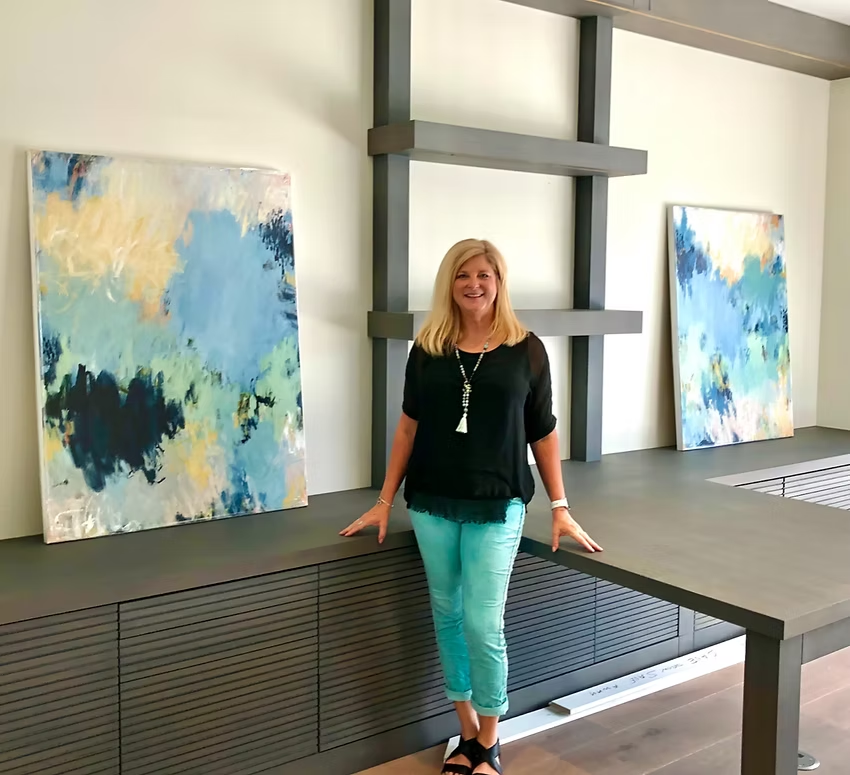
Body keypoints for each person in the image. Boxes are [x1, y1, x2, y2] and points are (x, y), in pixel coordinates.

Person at [340, 238, 602, 775]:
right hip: (432, 502)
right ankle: (465, 734)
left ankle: (490, 738)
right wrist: (384, 500)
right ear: (449, 284)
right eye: (463, 276)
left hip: (497, 502)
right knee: (448, 615)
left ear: (499, 282)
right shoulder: (428, 347)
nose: (474, 284)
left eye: (485, 274)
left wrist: (560, 505)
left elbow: (544, 433)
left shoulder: (526, 349)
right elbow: (408, 427)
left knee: (484, 623)